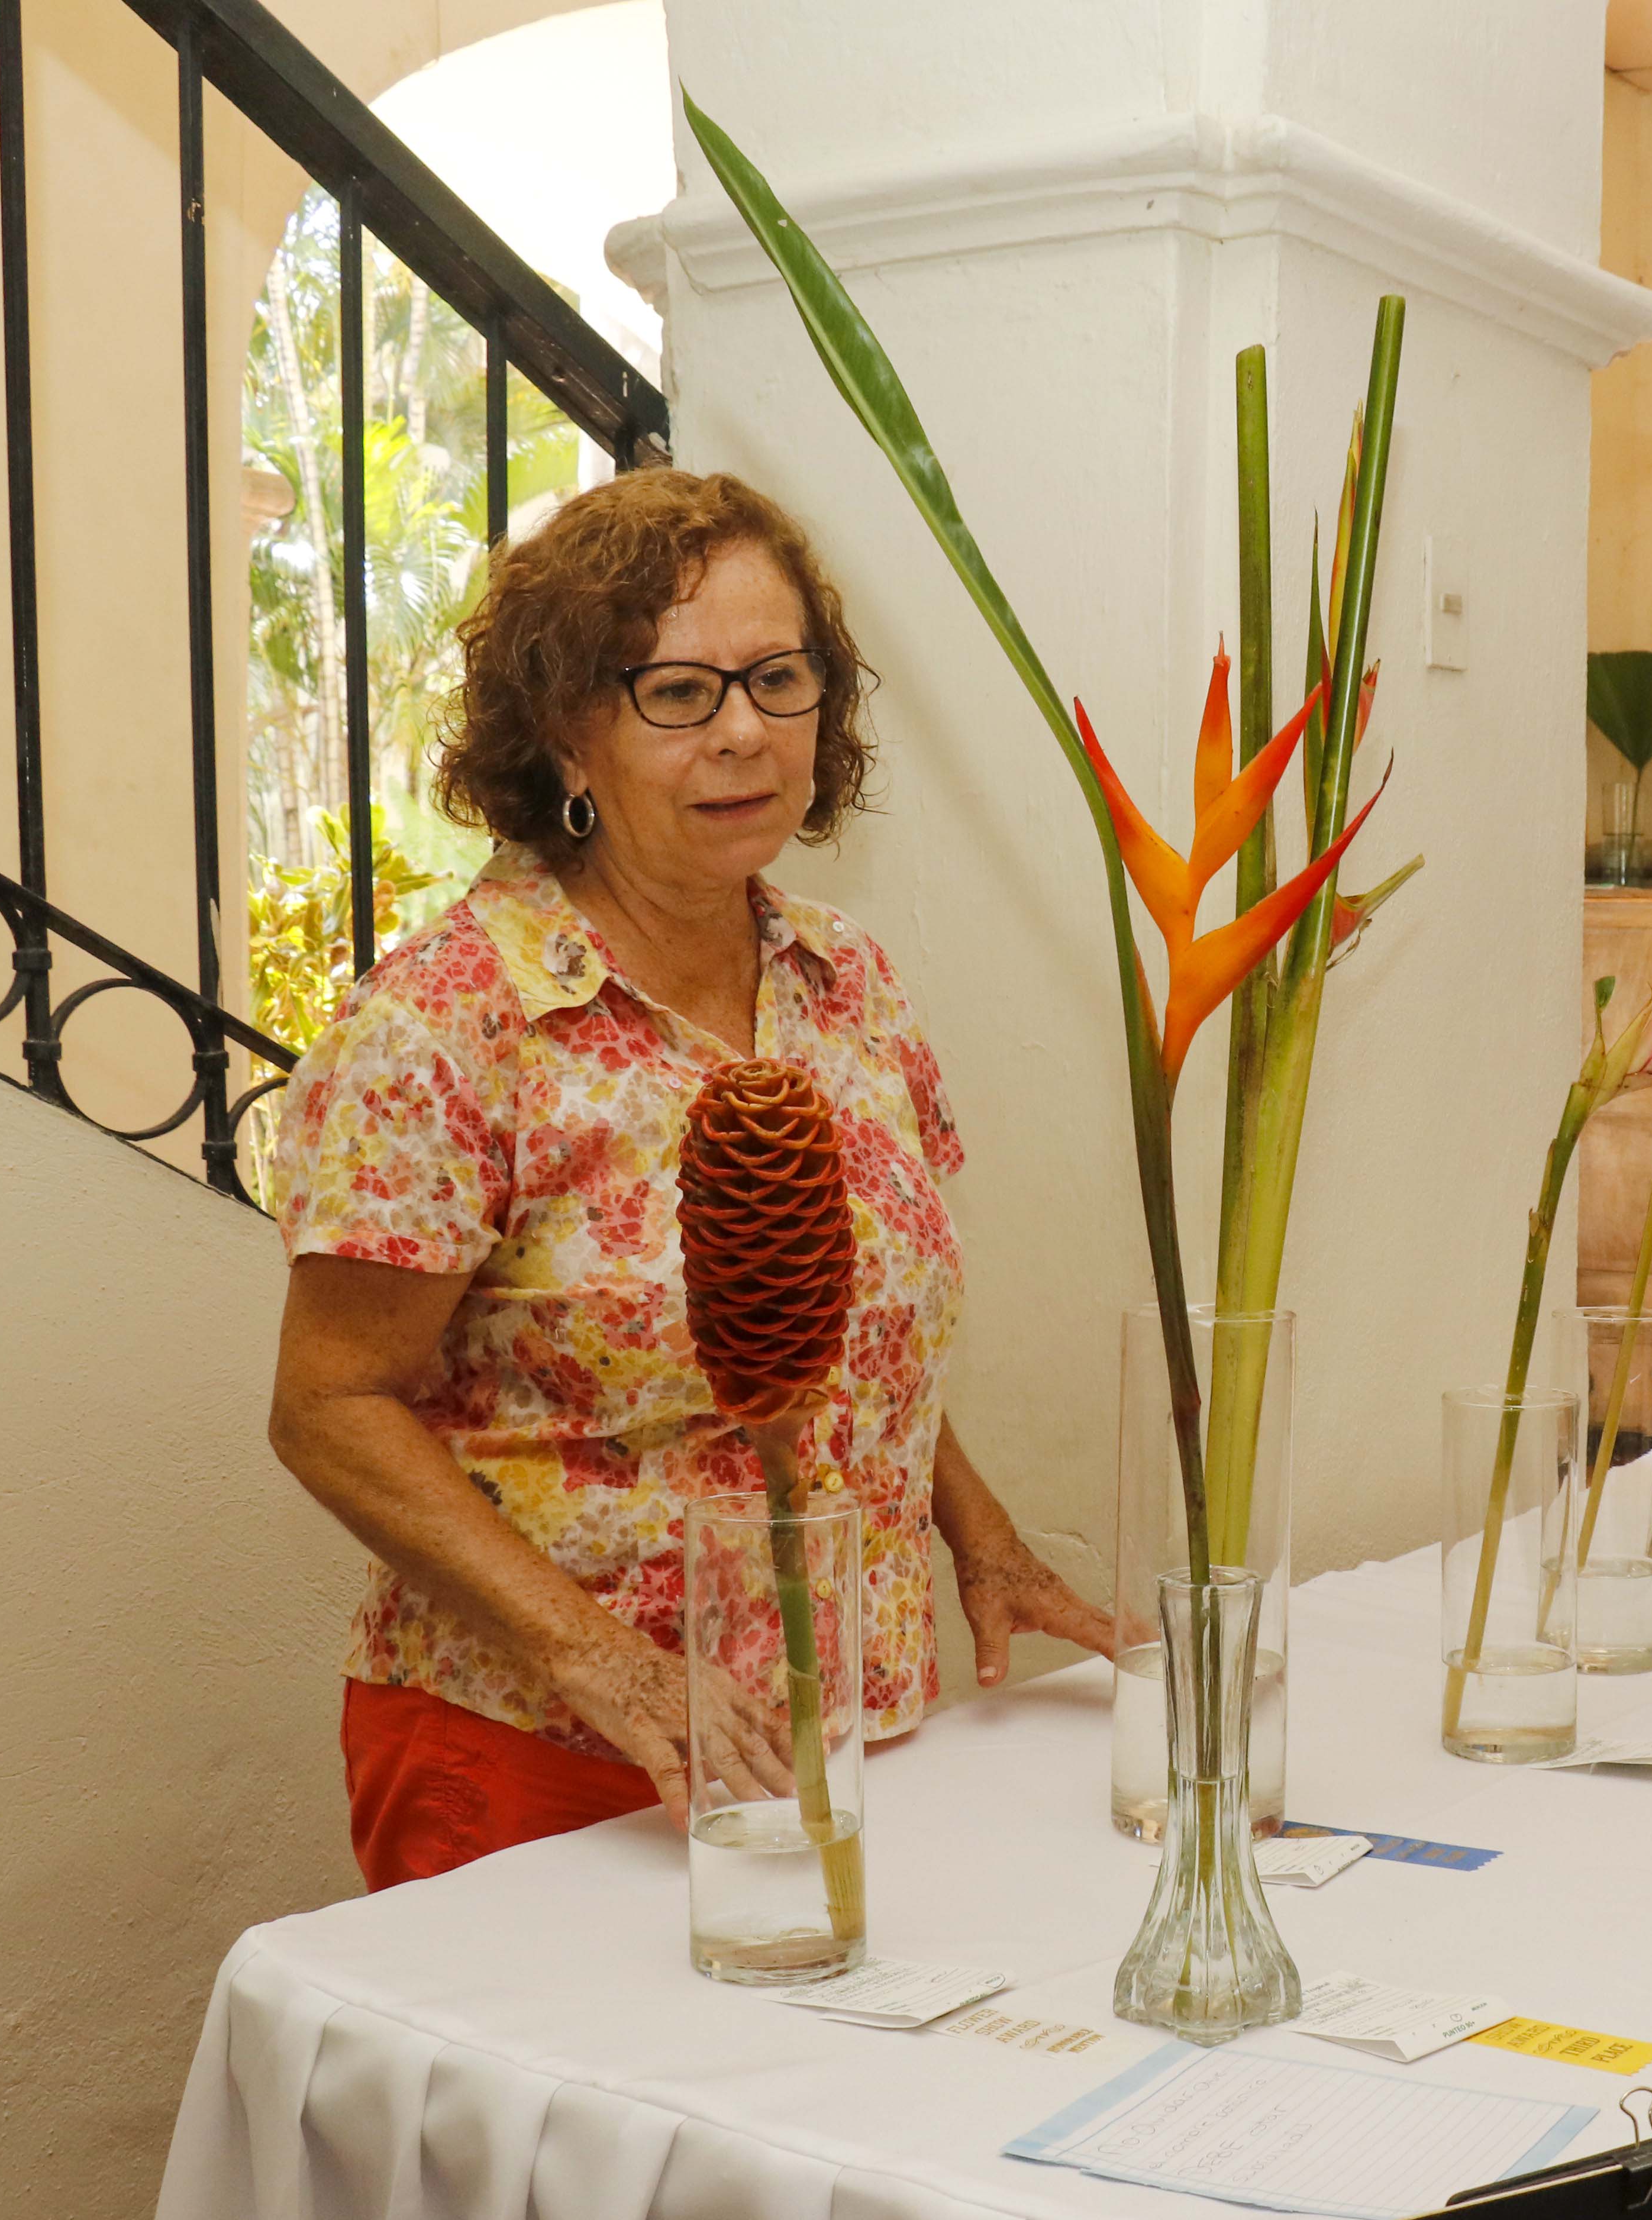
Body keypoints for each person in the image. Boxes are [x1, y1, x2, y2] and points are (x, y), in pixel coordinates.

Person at [265, 469, 1112, 1890]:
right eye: (677, 692)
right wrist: (612, 1666)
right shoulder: (446, 1024)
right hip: (559, 1757)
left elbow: (832, 1334)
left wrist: (980, 1531)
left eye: (779, 678)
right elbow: (328, 1407)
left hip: (846, 1727)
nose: (743, 732)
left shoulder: (848, 981)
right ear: (568, 731)